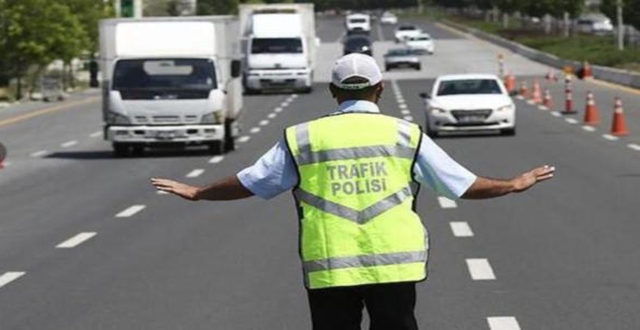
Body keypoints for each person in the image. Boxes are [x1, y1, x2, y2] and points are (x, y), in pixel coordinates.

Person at [151, 53, 555, 330]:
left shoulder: (304, 137)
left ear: (333, 91)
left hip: (330, 265)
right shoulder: (404, 134)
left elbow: (252, 182)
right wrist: (513, 185)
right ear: (379, 89)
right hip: (394, 266)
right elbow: (461, 185)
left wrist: (199, 192)